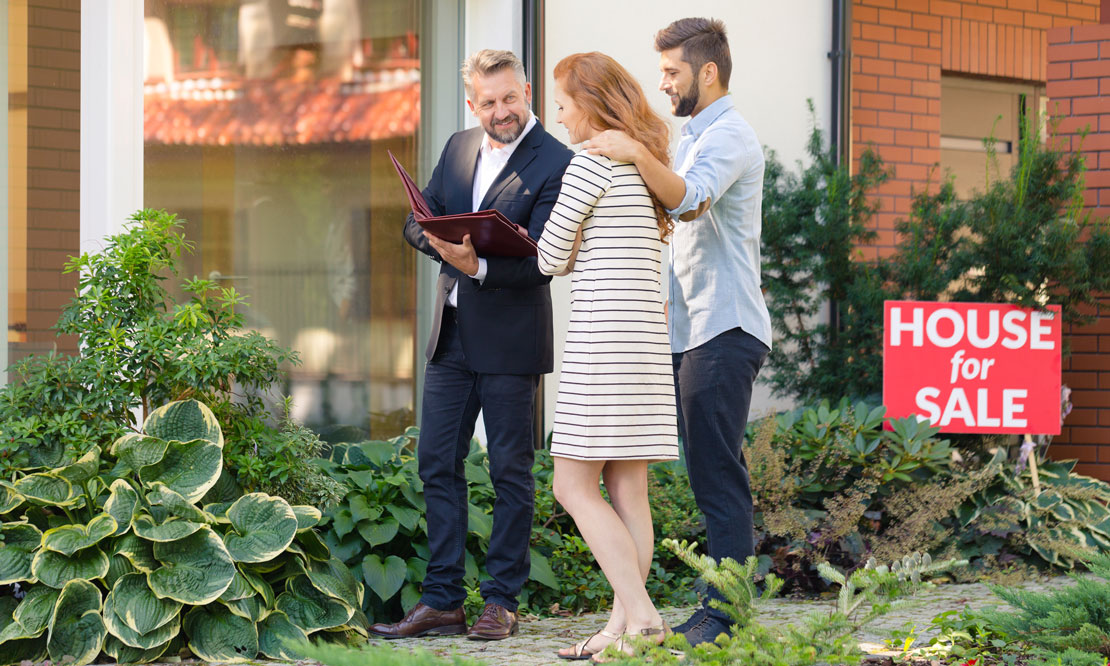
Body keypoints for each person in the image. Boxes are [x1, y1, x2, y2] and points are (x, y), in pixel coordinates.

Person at [368, 49, 572, 641]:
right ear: (471, 104)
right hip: (451, 337)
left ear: (527, 91)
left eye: (511, 98)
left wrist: (477, 264)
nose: (501, 111)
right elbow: (418, 218)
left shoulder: (556, 161)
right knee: (437, 464)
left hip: (511, 340)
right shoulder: (458, 146)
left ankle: (502, 601)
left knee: (510, 471)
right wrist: (442, 245)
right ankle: (442, 600)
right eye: (489, 102)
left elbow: (544, 260)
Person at [584, 17, 772, 646]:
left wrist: (635, 151)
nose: (661, 82)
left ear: (708, 70)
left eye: (672, 71)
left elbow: (689, 199)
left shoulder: (731, 136)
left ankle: (725, 616)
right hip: (692, 329)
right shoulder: (693, 135)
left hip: (726, 324)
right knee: (706, 469)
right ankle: (719, 606)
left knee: (718, 472)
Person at [535, 52, 678, 662]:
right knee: (629, 488)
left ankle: (641, 615)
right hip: (644, 344)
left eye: (563, 104)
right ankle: (622, 629)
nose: (558, 116)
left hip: (602, 343)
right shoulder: (644, 169)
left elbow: (548, 257)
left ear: (589, 105)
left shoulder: (588, 165)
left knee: (572, 485)